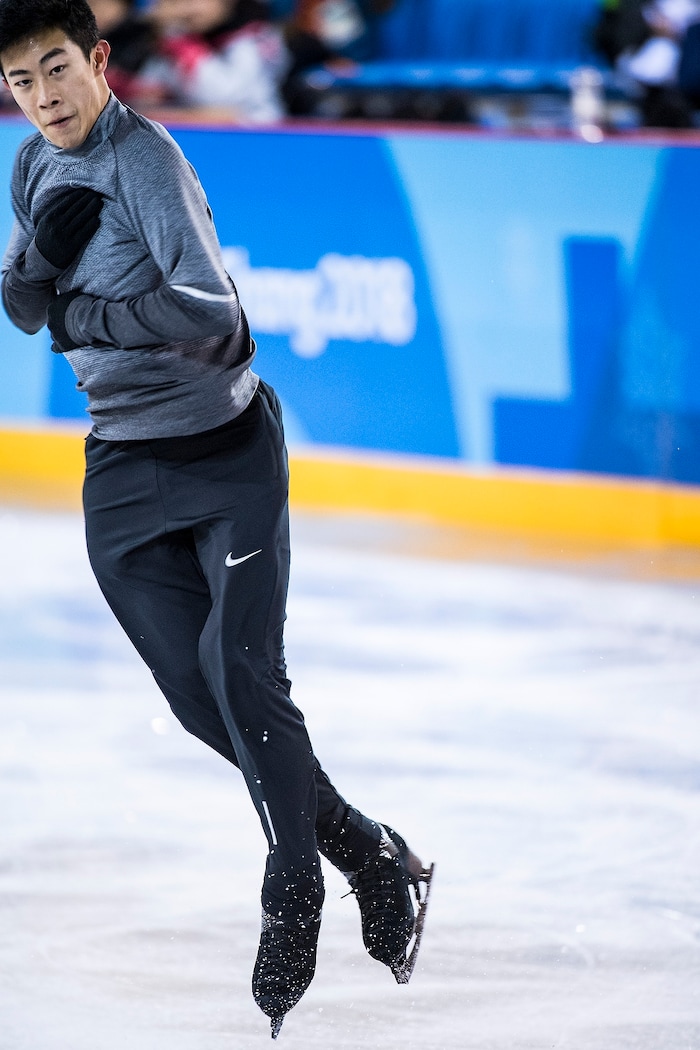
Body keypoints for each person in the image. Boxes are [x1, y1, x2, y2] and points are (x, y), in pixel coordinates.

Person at [0, 0, 432, 1038]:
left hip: (225, 455)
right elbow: (20, 305)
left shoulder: (144, 160)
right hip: (121, 470)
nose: (44, 97)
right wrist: (37, 270)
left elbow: (211, 309)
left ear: (99, 60)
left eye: (58, 69)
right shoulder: (30, 167)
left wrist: (83, 312)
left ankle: (294, 890)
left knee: (247, 679)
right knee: (204, 706)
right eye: (21, 82)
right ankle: (373, 854)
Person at [142, 0, 289, 123]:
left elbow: (224, 101)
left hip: (261, 141)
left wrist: (178, 41)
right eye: (178, 3)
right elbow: (147, 98)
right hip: (200, 142)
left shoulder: (253, 37)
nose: (187, 10)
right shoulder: (185, 39)